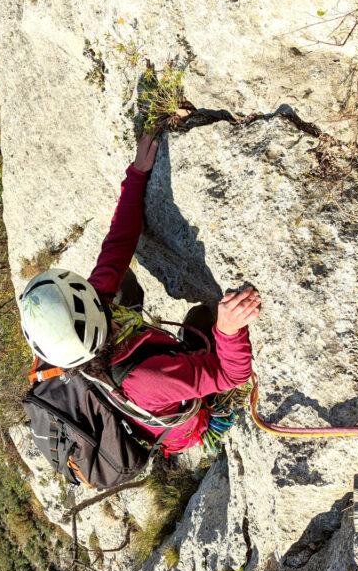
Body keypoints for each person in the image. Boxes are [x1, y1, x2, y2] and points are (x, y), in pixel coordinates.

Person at [17, 132, 261, 454]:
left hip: (128, 367)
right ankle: (206, 419)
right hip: (185, 427)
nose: (93, 288)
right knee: (203, 317)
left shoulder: (85, 325)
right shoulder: (148, 378)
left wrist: (137, 174)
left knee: (124, 280)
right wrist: (229, 330)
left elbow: (118, 244)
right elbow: (231, 374)